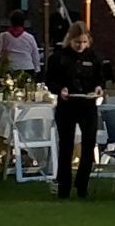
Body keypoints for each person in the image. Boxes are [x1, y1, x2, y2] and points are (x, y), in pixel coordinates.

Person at [43, 23, 107, 199]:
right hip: (67, 105)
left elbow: (100, 78)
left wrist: (99, 88)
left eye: (84, 42)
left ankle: (82, 185)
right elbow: (50, 80)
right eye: (77, 42)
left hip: (87, 105)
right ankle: (64, 186)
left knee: (89, 144)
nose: (80, 46)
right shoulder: (58, 58)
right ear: (70, 40)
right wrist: (60, 89)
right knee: (66, 145)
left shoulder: (93, 57)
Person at [0, 9, 41, 84]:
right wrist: (37, 69)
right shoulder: (30, 37)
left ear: (11, 21)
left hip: (10, 69)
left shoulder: (3, 36)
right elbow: (35, 55)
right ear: (23, 22)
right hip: (27, 68)